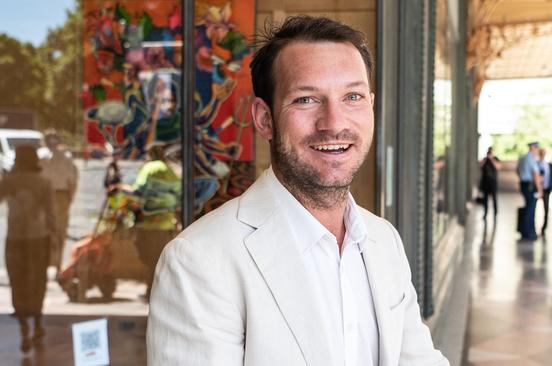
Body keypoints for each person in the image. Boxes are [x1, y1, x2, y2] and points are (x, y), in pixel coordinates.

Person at [147, 16, 450, 366]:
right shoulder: (198, 261)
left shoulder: (384, 240)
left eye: (352, 96)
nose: (334, 122)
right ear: (264, 119)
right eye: (306, 100)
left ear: (370, 105)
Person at [0, 146, 56, 353]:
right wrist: (56, 236)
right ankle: (38, 322)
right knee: (37, 279)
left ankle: (24, 326)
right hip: (39, 237)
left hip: (15, 238)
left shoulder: (9, 182)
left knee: (18, 279)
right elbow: (51, 213)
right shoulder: (44, 183)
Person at [112, 143, 181, 300]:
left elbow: (139, 192)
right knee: (158, 259)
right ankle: (157, 291)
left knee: (149, 258)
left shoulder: (149, 168)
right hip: (167, 223)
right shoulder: (170, 170)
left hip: (150, 224)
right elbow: (178, 194)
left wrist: (120, 188)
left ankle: (152, 291)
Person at [40, 129, 78, 272]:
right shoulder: (66, 157)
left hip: (43, 196)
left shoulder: (39, 156)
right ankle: (57, 265)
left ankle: (43, 263)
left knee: (43, 230)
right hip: (61, 196)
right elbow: (72, 182)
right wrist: (69, 199)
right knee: (60, 231)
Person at [517, 142, 543, 240]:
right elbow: (536, 175)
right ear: (533, 148)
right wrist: (540, 190)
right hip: (530, 186)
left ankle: (526, 230)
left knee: (528, 206)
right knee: (530, 209)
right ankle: (528, 232)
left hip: (524, 184)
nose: (537, 151)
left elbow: (518, 170)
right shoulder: (531, 159)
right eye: (537, 148)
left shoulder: (522, 158)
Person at [478, 146, 501, 220]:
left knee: (494, 198)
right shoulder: (485, 160)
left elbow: (498, 167)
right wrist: (486, 159)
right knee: (485, 199)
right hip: (485, 182)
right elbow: (480, 166)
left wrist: (492, 159)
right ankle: (485, 213)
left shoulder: (495, 159)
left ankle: (495, 213)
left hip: (493, 182)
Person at [537, 148, 552, 236]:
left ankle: (544, 228)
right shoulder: (536, 164)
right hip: (537, 189)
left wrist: (550, 188)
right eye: (541, 154)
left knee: (546, 209)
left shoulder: (550, 165)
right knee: (533, 209)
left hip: (547, 190)